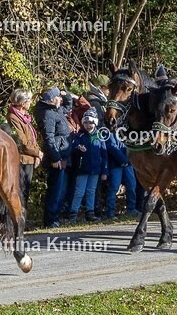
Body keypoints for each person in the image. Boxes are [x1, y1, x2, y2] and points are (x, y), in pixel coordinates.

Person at [37, 87, 73, 228]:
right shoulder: (48, 114)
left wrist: (67, 95)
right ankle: (50, 220)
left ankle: (55, 217)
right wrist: (55, 157)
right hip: (57, 157)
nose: (61, 99)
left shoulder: (56, 110)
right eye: (59, 97)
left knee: (61, 189)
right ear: (52, 100)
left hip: (63, 154)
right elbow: (49, 138)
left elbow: (68, 107)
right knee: (55, 190)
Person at [7, 89, 43, 208]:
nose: (30, 103)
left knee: (25, 191)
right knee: (20, 191)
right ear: (23, 103)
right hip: (22, 159)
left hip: (29, 158)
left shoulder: (24, 118)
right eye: (29, 100)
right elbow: (22, 141)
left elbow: (32, 138)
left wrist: (37, 154)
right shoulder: (13, 117)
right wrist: (37, 152)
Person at [68, 110, 107, 221]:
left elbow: (104, 155)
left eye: (90, 122)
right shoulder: (79, 135)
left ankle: (90, 213)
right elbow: (73, 147)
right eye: (86, 123)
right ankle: (73, 213)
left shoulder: (99, 136)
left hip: (95, 169)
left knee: (91, 191)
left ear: (95, 123)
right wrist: (78, 148)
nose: (88, 125)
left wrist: (104, 171)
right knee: (79, 191)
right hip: (82, 168)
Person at [105, 126, 139, 219]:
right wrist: (124, 160)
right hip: (116, 164)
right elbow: (112, 147)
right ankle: (110, 212)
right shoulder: (109, 132)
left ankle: (131, 210)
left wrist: (129, 160)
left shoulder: (128, 131)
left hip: (128, 164)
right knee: (114, 187)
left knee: (132, 185)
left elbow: (132, 145)